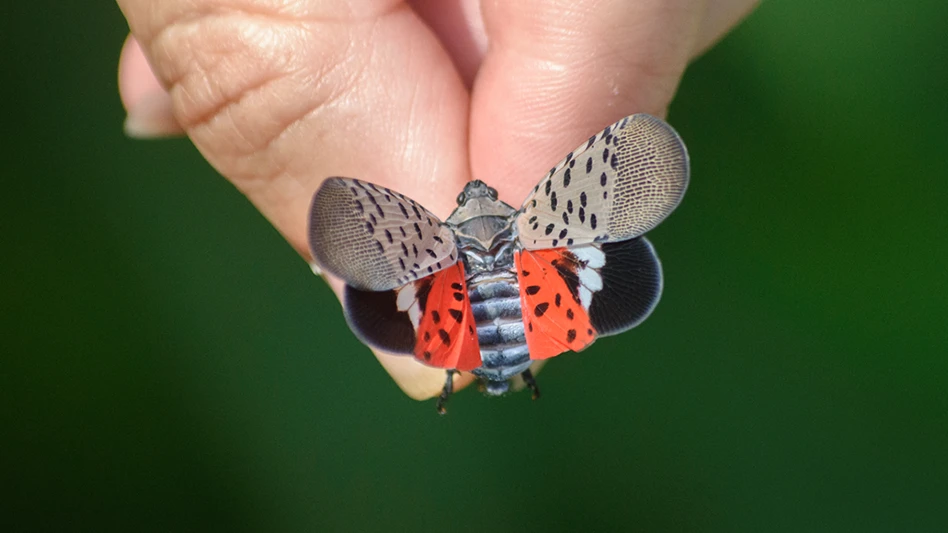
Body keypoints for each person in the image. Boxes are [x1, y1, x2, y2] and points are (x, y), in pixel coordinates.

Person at [116, 0, 758, 400]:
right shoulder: (529, 218)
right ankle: (517, 356)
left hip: (453, 288)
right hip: (542, 270)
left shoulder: (435, 240)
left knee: (420, 300)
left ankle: (463, 360)